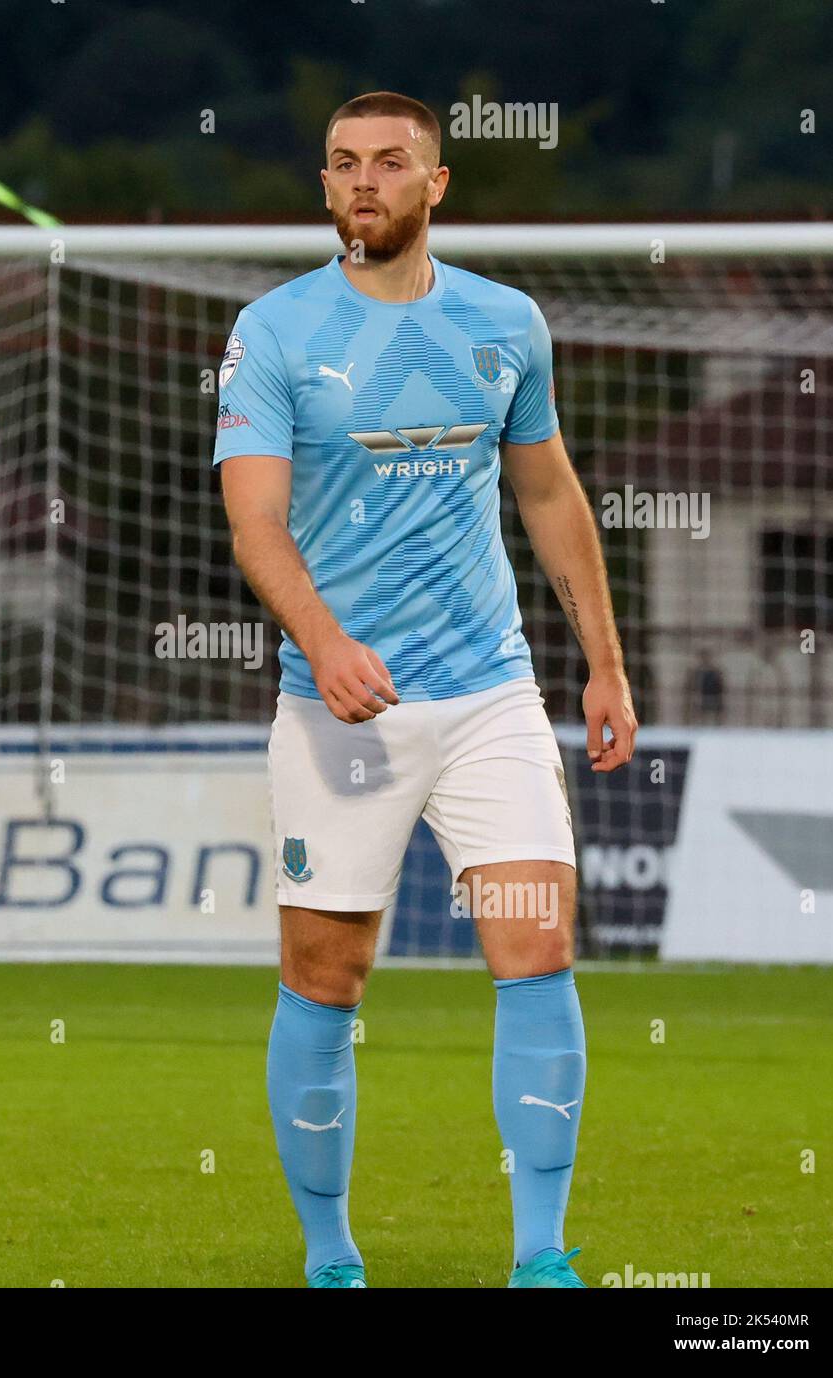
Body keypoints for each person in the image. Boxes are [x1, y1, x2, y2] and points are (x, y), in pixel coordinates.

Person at [214, 92, 637, 1287]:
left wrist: (602, 661)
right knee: (325, 975)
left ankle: (541, 1257)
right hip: (338, 710)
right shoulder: (274, 331)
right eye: (343, 164)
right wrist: (326, 640)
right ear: (324, 185)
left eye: (390, 163)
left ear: (435, 184)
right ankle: (330, 1253)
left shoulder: (505, 324)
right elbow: (254, 522)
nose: (364, 182)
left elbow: (550, 495)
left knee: (535, 941)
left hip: (489, 692)